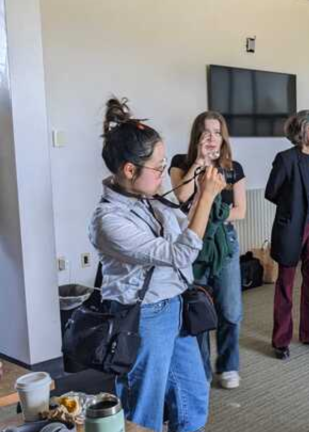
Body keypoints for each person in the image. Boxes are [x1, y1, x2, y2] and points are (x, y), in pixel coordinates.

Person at [90, 98, 225, 432]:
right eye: (157, 167)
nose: (163, 173)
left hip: (175, 306)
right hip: (144, 317)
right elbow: (181, 254)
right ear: (129, 170)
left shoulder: (150, 200)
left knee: (193, 399)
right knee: (143, 409)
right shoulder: (109, 220)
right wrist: (207, 197)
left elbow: (185, 230)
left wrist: (201, 190)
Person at [169, 111, 247, 389]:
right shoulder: (181, 163)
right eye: (206, 132)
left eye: (217, 132)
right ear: (197, 136)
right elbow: (181, 197)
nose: (212, 138)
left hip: (225, 241)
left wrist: (212, 214)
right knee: (198, 309)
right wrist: (200, 162)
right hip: (193, 242)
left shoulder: (233, 168)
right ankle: (200, 371)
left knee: (230, 310)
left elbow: (240, 211)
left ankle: (228, 366)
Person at [266, 109, 309, 360]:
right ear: (302, 130)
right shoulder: (285, 159)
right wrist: (293, 208)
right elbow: (271, 192)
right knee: (285, 286)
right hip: (292, 228)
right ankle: (281, 340)